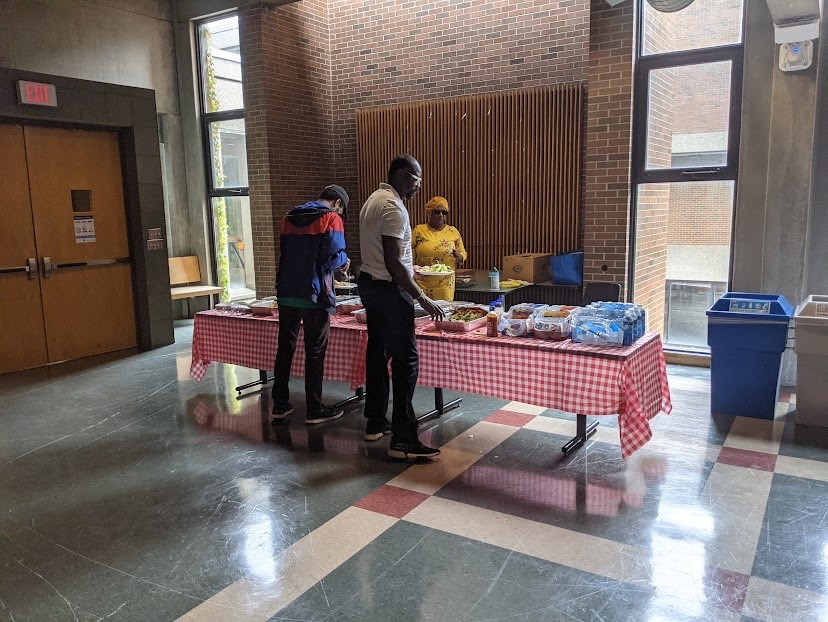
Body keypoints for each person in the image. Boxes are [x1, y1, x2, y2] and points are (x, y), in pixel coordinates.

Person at [358, 154, 445, 459]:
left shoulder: (373, 199)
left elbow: (386, 256)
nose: (418, 186)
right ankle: (404, 437)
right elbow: (394, 262)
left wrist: (410, 271)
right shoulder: (394, 207)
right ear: (400, 174)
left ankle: (375, 422)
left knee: (378, 354)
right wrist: (421, 296)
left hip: (370, 284)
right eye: (415, 179)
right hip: (390, 290)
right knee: (406, 361)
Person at [271, 184, 350, 425]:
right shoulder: (331, 218)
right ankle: (314, 409)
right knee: (314, 352)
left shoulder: (290, 216)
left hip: (286, 291)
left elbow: (285, 252)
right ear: (337, 202)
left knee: (286, 348)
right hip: (314, 293)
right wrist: (345, 262)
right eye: (342, 209)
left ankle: (280, 404)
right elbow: (333, 257)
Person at [412, 196, 468, 301]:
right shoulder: (419, 230)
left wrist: (459, 256)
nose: (441, 215)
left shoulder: (453, 231)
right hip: (421, 282)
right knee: (422, 314)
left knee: (443, 314)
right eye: (437, 212)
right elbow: (407, 251)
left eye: (444, 212)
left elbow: (463, 254)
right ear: (430, 213)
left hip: (445, 284)